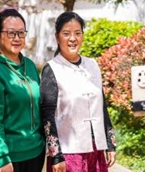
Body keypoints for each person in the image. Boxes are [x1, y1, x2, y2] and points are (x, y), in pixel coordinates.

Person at [40, 12, 116, 172]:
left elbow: (102, 106)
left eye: (77, 33)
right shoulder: (52, 69)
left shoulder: (92, 65)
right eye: (66, 34)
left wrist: (110, 143)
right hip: (68, 153)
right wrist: (56, 155)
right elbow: (47, 116)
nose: (72, 38)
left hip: (96, 150)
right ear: (57, 37)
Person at [0, 8, 44, 172]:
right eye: (10, 33)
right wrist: (1, 158)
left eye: (21, 33)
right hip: (7, 157)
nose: (17, 38)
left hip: (34, 153)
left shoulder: (29, 66)